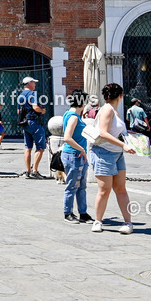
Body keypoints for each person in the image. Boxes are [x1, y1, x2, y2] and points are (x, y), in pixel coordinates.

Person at [89, 83, 137, 234]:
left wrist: (127, 134)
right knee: (104, 190)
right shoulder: (107, 109)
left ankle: (128, 222)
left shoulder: (114, 111)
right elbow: (103, 133)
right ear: (120, 96)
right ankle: (98, 221)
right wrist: (123, 145)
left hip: (116, 154)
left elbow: (114, 130)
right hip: (104, 153)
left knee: (121, 188)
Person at [62, 89, 94, 224]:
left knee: (81, 185)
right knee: (72, 185)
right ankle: (68, 213)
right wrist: (82, 149)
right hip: (73, 155)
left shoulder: (70, 114)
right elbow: (67, 138)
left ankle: (83, 212)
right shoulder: (74, 117)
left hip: (77, 155)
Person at [18, 76, 48, 179]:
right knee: (41, 147)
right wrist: (42, 111)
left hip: (25, 123)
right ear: (30, 83)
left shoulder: (20, 96)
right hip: (33, 122)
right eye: (34, 83)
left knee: (28, 147)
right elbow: (35, 107)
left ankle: (28, 171)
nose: (35, 84)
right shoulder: (33, 94)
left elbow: (18, 112)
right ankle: (35, 171)